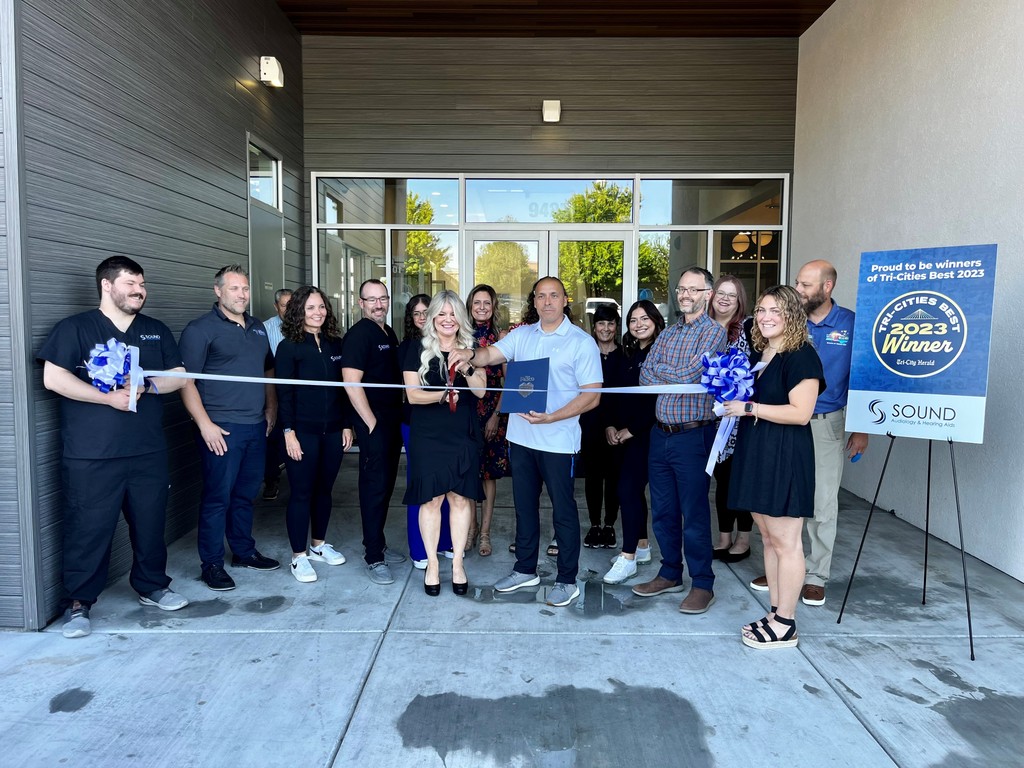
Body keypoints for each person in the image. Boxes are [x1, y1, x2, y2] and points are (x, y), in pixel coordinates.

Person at [39, 256, 190, 638]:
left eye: (142, 284)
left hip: (146, 450)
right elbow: (53, 378)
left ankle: (152, 586)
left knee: (150, 524)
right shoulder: (75, 328)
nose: (140, 291)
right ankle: (79, 603)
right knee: (88, 527)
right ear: (106, 285)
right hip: (92, 453)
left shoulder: (154, 330)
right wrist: (106, 398)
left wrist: (147, 385)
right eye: (130, 284)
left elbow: (179, 376)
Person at [452, 277, 602, 608]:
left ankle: (567, 580)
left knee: (563, 511)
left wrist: (552, 417)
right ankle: (524, 570)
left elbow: (592, 396)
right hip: (520, 439)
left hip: (558, 442)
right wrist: (468, 354)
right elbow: (490, 354)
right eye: (541, 296)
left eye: (554, 295)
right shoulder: (522, 335)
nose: (547, 302)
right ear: (533, 302)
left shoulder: (581, 342)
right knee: (523, 507)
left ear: (565, 300)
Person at [749, 260, 868, 606]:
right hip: (779, 425)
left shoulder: (850, 324)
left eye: (806, 285)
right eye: (797, 284)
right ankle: (787, 563)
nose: (798, 290)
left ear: (827, 287)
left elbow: (863, 376)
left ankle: (816, 575)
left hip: (823, 420)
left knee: (821, 500)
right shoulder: (787, 322)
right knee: (782, 499)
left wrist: (861, 427)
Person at [723, 285, 825, 649]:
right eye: (763, 310)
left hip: (785, 454)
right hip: (758, 450)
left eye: (775, 311)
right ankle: (776, 613)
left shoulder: (801, 356)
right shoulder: (761, 351)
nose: (766, 317)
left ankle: (787, 623)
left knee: (786, 542)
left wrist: (749, 408)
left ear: (792, 315)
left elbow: (801, 413)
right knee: (768, 538)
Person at [632, 267, 727, 614]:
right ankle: (670, 573)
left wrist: (665, 372)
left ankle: (702, 583)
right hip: (661, 434)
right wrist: (668, 373)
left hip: (693, 435)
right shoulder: (669, 333)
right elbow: (645, 374)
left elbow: (692, 374)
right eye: (681, 289)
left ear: (708, 294)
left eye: (693, 289)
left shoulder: (714, 332)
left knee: (694, 513)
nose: (685, 294)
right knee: (663, 511)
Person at [180, 265, 280, 591]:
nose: (242, 294)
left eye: (245, 288)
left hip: (255, 426)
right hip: (221, 428)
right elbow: (185, 382)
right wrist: (204, 425)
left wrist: (271, 407)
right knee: (217, 498)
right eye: (234, 288)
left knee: (245, 494)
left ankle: (243, 552)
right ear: (218, 291)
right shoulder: (200, 329)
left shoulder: (257, 328)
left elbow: (267, 370)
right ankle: (211, 564)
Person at [403, 291, 487, 596]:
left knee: (460, 498)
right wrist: (442, 395)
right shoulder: (417, 348)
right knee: (431, 500)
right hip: (428, 434)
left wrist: (466, 366)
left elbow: (480, 392)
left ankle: (458, 564)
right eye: (441, 314)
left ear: (460, 318)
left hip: (462, 432)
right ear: (432, 318)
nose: (447, 320)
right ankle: (433, 565)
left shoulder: (471, 349)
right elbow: (413, 396)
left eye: (453, 314)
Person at [274, 286, 354, 583]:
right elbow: (284, 394)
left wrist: (346, 424)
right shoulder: (289, 347)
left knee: (324, 490)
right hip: (302, 432)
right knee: (302, 492)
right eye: (310, 308)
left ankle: (319, 545)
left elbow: (345, 390)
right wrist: (288, 432)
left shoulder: (335, 344)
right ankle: (299, 557)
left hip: (332, 430)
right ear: (298, 311)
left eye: (321, 307)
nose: (317, 312)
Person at [342, 278, 406, 585]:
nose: (378, 305)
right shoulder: (358, 335)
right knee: (373, 487)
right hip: (374, 424)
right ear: (361, 303)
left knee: (386, 485)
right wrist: (370, 423)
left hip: (392, 421)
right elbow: (351, 383)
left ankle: (378, 544)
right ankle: (373, 557)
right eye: (372, 300)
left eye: (383, 298)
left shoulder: (388, 332)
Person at [601, 300, 665, 584]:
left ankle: (627, 559)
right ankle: (641, 547)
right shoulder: (628, 353)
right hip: (621, 435)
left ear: (656, 320)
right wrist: (610, 424)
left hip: (646, 436)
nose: (638, 325)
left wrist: (633, 430)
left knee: (627, 490)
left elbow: (657, 400)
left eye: (644, 319)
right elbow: (614, 393)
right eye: (633, 320)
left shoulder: (660, 352)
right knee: (631, 492)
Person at [399, 294, 454, 569]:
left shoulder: (452, 344)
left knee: (447, 487)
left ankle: (445, 542)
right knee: (422, 489)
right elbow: (410, 393)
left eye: (426, 312)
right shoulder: (409, 347)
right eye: (417, 313)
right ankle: (420, 549)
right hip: (415, 424)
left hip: (447, 427)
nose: (422, 317)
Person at [708, 275, 755, 562]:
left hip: (741, 417)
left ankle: (743, 538)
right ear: (711, 296)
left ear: (739, 301)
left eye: (732, 295)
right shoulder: (703, 327)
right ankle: (724, 536)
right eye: (721, 293)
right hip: (710, 417)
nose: (725, 299)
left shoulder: (749, 328)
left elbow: (759, 366)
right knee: (722, 478)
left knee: (741, 478)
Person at [466, 284, 510, 557]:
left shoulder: (501, 338)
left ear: (493, 307)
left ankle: (484, 533)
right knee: (469, 472)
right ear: (470, 306)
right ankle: (469, 529)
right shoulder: (461, 335)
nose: (481, 308)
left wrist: (496, 416)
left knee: (488, 476)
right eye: (477, 302)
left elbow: (509, 381)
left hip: (494, 411)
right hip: (467, 412)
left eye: (487, 303)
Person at [580, 302, 623, 549]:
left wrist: (615, 425)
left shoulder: (624, 356)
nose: (605, 328)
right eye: (601, 323)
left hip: (617, 428)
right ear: (594, 327)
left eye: (610, 323)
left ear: (616, 326)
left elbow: (625, 397)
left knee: (614, 477)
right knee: (593, 477)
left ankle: (609, 525)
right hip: (590, 424)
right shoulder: (586, 355)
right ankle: (595, 525)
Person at [262, 288, 292, 501]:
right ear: (276, 307)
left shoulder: (306, 326)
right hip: (273, 390)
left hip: (296, 393)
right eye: (284, 306)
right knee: (272, 436)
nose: (289, 310)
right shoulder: (264, 329)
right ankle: (271, 479)